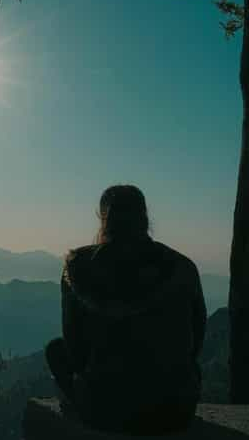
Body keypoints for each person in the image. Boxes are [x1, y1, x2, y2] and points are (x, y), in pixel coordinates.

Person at [45, 185, 206, 435]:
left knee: (55, 350)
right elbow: (196, 340)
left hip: (106, 411)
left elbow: (75, 350)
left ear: (103, 218)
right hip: (174, 410)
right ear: (145, 217)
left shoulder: (79, 269)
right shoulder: (181, 267)